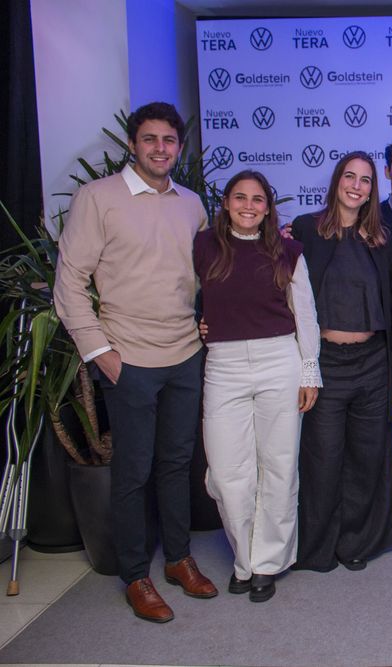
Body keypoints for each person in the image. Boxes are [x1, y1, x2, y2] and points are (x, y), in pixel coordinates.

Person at [54, 101, 217, 622]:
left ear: (179, 146)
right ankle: (135, 575)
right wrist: (101, 353)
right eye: (150, 139)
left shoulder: (192, 203)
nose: (160, 149)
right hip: (128, 359)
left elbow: (201, 276)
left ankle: (177, 559)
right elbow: (69, 282)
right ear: (132, 144)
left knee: (176, 465)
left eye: (169, 141)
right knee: (132, 471)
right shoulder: (97, 198)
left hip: (185, 354)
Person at [193, 170, 320, 603]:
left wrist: (309, 372)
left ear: (268, 207)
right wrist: (197, 322)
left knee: (280, 465)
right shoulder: (203, 245)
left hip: (278, 359)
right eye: (240, 197)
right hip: (224, 365)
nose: (249, 205)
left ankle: (267, 562)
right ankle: (242, 558)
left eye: (258, 199)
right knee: (228, 473)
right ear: (226, 202)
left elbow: (305, 315)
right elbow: (183, 297)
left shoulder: (288, 251)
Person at [290, 151, 392, 572]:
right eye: (350, 177)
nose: (357, 185)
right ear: (337, 181)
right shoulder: (305, 230)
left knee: (368, 456)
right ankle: (318, 547)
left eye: (366, 180)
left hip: (374, 362)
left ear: (375, 189)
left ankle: (358, 542)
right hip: (326, 363)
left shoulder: (384, 237)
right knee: (322, 456)